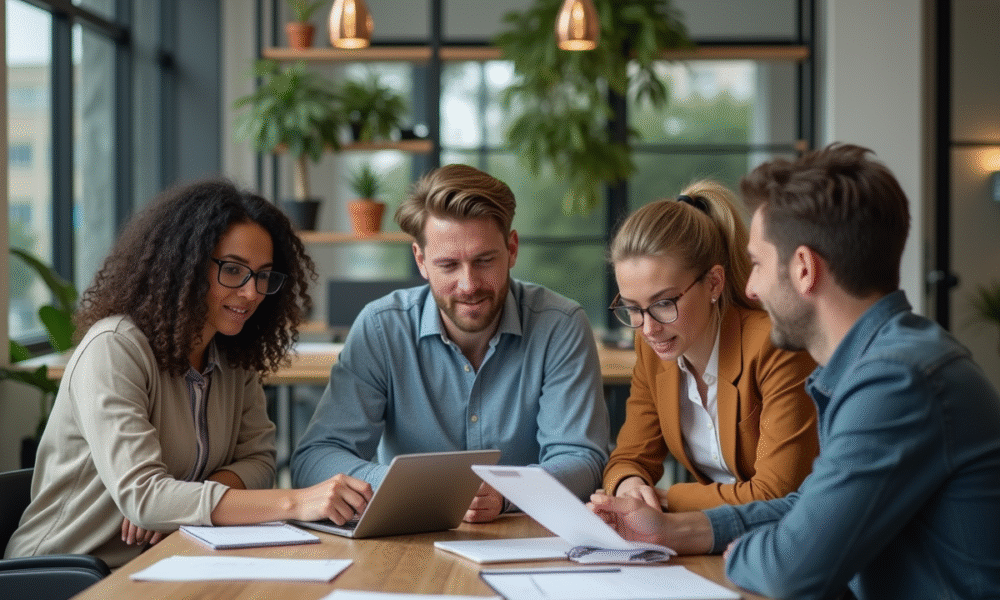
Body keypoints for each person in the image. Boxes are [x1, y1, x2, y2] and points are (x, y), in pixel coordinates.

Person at [589, 144, 1000, 599]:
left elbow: (792, 567)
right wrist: (669, 533)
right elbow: (807, 506)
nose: (750, 287)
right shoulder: (882, 362)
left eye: (759, 263)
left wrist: (744, 551)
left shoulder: (896, 380)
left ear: (804, 269)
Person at [5, 179, 373, 569]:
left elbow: (259, 462)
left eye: (263, 275)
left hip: (165, 560)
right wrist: (298, 501)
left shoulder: (232, 354)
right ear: (185, 265)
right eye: (233, 270)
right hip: (67, 573)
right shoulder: (114, 348)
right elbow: (145, 497)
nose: (251, 293)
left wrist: (183, 503)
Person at [292, 164, 610, 523]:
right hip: (408, 543)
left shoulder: (560, 325)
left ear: (512, 249)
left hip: (522, 537)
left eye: (484, 260)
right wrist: (408, 486)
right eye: (448, 265)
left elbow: (583, 461)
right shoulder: (382, 327)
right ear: (421, 261)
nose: (469, 284)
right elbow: (316, 459)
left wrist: (508, 492)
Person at [603, 180, 819, 513]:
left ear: (714, 283)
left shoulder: (776, 347)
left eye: (663, 303)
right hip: (719, 540)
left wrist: (662, 500)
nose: (648, 328)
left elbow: (778, 492)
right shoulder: (652, 349)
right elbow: (630, 456)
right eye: (632, 307)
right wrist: (630, 486)